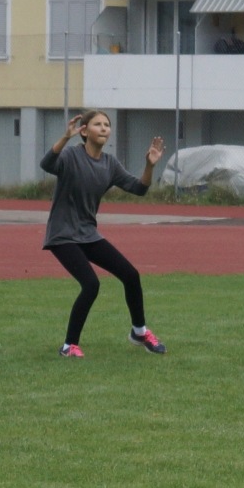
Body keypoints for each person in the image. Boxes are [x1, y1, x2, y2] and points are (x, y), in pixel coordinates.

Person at [41, 111, 167, 358]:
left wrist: (150, 166)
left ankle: (139, 332)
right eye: (97, 124)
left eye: (107, 125)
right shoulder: (71, 155)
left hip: (88, 234)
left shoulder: (110, 164)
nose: (104, 128)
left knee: (131, 275)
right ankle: (69, 346)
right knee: (91, 284)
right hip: (62, 234)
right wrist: (65, 138)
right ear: (84, 131)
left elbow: (139, 188)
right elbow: (47, 164)